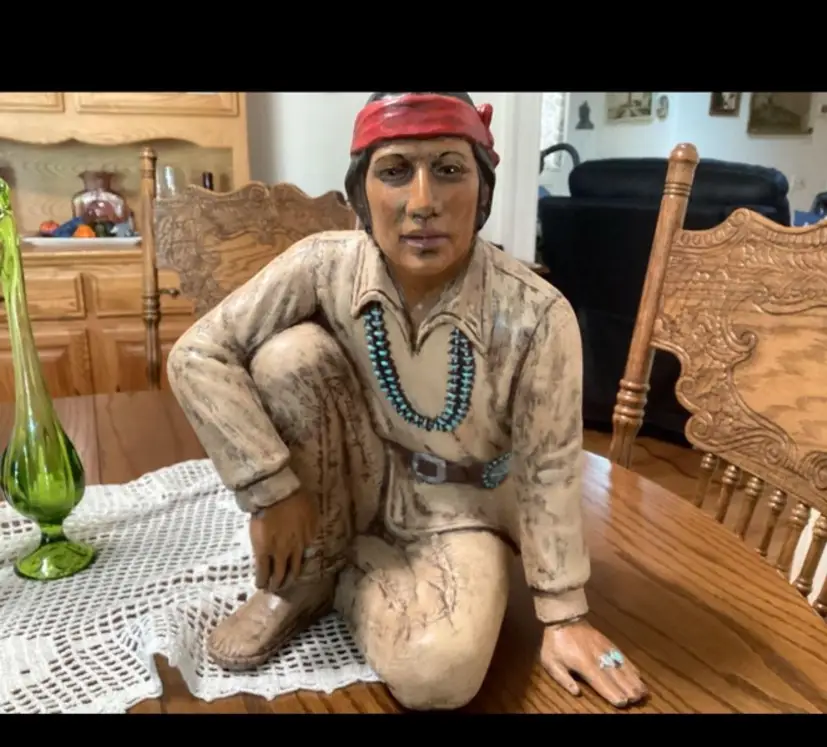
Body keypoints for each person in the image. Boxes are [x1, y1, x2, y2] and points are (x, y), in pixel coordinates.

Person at [166, 92, 648, 711]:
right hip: (355, 478)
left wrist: (562, 615)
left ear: (483, 188)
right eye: (395, 171)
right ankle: (309, 574)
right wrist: (271, 489)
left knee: (438, 677)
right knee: (287, 356)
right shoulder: (324, 266)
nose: (423, 202)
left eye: (449, 169)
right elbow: (197, 353)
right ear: (362, 192)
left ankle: (340, 570)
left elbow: (549, 466)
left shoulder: (535, 314)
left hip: (464, 507)